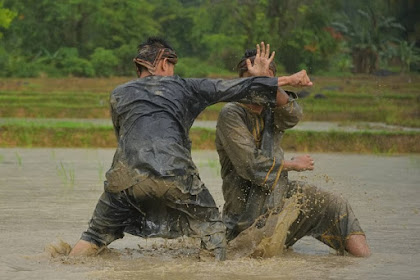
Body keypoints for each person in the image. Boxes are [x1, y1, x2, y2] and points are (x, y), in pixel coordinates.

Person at [69, 38, 303, 261]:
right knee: (213, 231)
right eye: (171, 66)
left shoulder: (118, 94)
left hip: (124, 177)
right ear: (163, 63)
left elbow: (122, 136)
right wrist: (283, 79)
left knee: (94, 236)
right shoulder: (185, 86)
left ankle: (62, 266)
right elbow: (227, 88)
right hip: (175, 175)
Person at [215, 48, 371, 257]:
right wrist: (292, 164)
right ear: (241, 83)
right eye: (251, 81)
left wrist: (268, 83)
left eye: (264, 82)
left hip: (279, 197)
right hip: (246, 219)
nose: (258, 87)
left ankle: (366, 261)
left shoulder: (272, 108)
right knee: (249, 255)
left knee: (335, 206)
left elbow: (293, 116)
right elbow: (250, 166)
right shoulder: (232, 114)